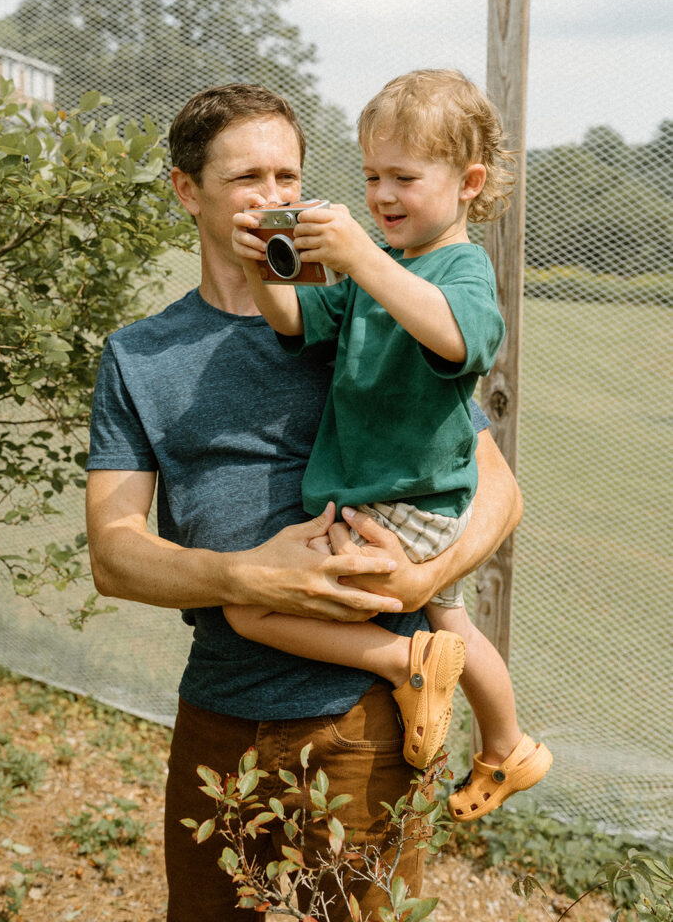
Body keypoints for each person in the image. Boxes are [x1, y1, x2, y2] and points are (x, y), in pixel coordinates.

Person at [85, 81, 523, 922]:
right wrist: (244, 578)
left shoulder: (371, 314)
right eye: (247, 178)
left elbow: (498, 491)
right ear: (187, 190)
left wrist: (419, 581)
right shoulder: (139, 356)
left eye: (287, 176)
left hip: (362, 724)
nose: (274, 196)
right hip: (217, 713)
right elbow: (113, 553)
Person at [230, 69, 551, 820]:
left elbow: (461, 339)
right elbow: (295, 322)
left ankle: (410, 667)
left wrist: (361, 257)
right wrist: (259, 264)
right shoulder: (378, 268)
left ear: (469, 183)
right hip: (406, 500)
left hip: (402, 505)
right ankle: (509, 747)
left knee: (251, 605)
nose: (381, 195)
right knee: (450, 617)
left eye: (404, 177)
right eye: (372, 176)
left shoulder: (460, 269)